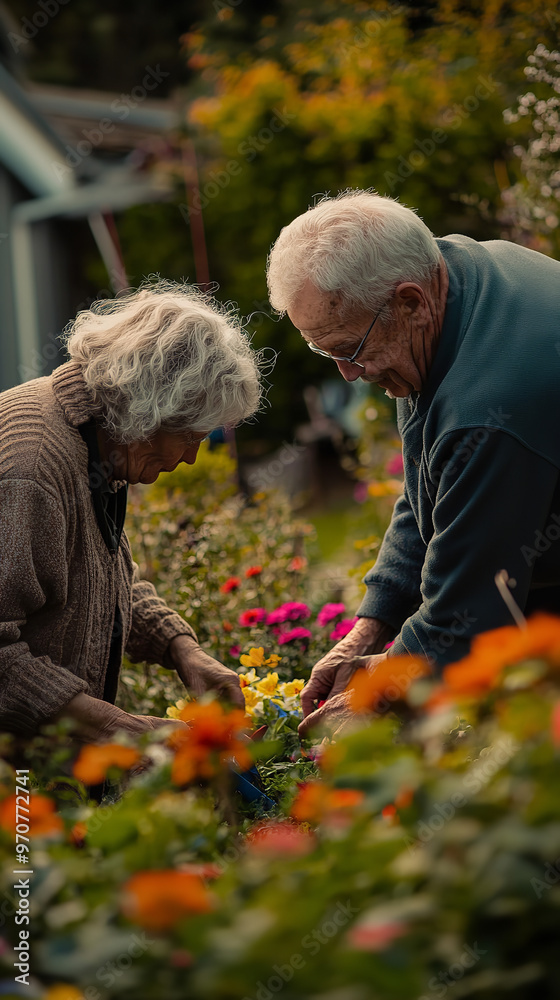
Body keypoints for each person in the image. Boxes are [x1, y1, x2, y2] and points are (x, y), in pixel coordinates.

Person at [267, 189, 560, 736]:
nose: (347, 375)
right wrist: (372, 625)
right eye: (323, 351)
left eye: (350, 349)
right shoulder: (449, 280)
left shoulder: (491, 407)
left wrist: (379, 688)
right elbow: (431, 486)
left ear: (411, 302)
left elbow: (470, 613)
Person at [0, 280, 263, 744]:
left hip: (45, 765)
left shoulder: (97, 440)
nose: (190, 459)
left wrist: (181, 648)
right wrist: (125, 728)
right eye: (191, 437)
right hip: (16, 786)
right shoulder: (34, 469)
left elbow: (98, 574)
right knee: (23, 823)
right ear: (151, 411)